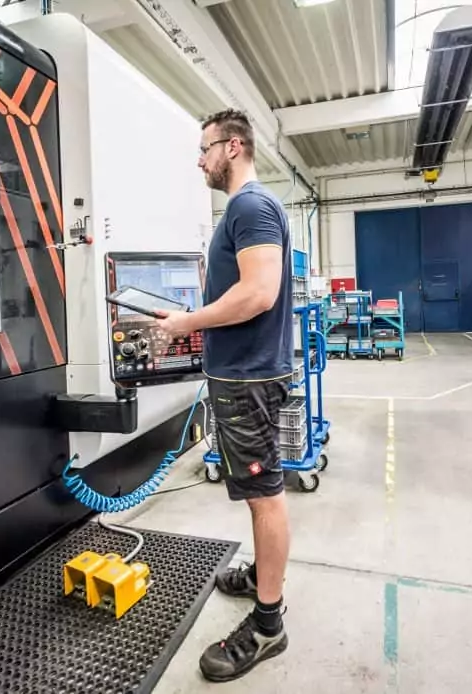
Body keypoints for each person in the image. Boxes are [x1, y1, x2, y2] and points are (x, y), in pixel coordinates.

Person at [155, 109, 294, 682]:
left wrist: (189, 321)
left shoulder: (249, 206)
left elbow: (260, 293)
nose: (200, 159)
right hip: (244, 375)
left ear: (233, 147)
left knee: (265, 496)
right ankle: (261, 575)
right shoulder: (246, 209)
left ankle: (268, 626)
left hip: (248, 379)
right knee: (257, 493)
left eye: (205, 148)